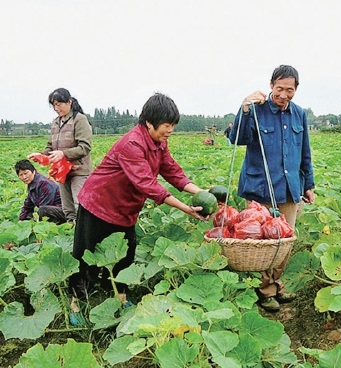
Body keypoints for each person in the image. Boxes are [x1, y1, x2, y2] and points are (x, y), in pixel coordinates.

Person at [68, 93, 208, 324]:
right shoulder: (132, 144)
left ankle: (121, 297)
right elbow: (147, 184)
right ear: (149, 123)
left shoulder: (159, 143)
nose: (170, 130)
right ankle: (76, 303)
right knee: (87, 256)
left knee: (126, 255)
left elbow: (172, 172)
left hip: (125, 208)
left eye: (173, 125)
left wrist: (202, 192)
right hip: (99, 203)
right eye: (166, 125)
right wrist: (186, 208)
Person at [229, 65, 315, 312]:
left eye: (290, 90)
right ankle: (264, 289)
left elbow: (304, 152)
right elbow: (238, 138)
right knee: (261, 240)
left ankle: (275, 282)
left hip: (289, 189)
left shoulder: (299, 115)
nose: (284, 95)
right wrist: (245, 107)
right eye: (279, 89)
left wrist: (308, 185)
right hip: (259, 189)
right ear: (271, 85)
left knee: (283, 241)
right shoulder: (255, 110)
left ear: (296, 89)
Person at [28, 88, 92, 223]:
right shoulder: (56, 122)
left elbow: (84, 147)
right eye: (54, 105)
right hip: (62, 171)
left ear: (69, 102)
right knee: (67, 208)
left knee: (79, 205)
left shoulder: (79, 119)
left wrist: (63, 154)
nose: (56, 108)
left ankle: (83, 236)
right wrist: (41, 155)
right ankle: (70, 232)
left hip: (78, 171)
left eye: (59, 104)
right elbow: (50, 145)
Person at [15, 159, 66, 224]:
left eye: (26, 173)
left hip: (62, 211)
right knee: (28, 216)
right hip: (48, 210)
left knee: (43, 210)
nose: (24, 177)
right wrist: (21, 220)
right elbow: (27, 206)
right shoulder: (31, 184)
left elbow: (46, 205)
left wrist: (35, 220)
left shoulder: (44, 183)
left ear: (33, 171)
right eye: (21, 175)